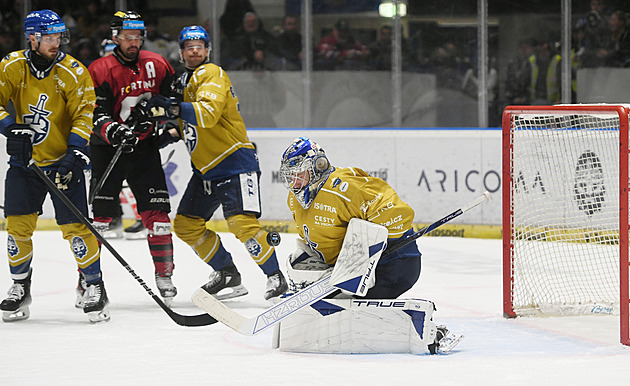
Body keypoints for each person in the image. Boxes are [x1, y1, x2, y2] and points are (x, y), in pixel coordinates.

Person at [150, 25, 288, 301]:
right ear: (181, 52)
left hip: (235, 162)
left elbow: (208, 114)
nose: (195, 50)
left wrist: (171, 108)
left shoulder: (211, 73)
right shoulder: (184, 82)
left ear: (208, 50)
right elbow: (186, 123)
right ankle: (227, 274)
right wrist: (166, 133)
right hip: (205, 171)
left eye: (200, 46)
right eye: (189, 47)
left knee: (241, 224)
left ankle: (276, 277)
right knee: (187, 225)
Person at [0, 9, 109, 323]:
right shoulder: (12, 66)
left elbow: (84, 114)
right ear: (32, 38)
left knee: (76, 230)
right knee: (17, 229)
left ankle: (94, 285)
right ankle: (20, 286)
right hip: (25, 165)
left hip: (64, 164)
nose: (56, 42)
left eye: (59, 36)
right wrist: (10, 127)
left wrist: (74, 154)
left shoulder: (74, 71)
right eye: (49, 37)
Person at [87, 10, 178, 305]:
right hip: (107, 150)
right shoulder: (99, 69)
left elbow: (173, 101)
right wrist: (113, 131)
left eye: (138, 37)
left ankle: (164, 275)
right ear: (115, 37)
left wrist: (157, 116)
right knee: (99, 221)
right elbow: (93, 112)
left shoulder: (158, 63)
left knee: (159, 219)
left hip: (143, 151)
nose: (134, 42)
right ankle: (87, 280)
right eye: (128, 37)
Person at [278, 137, 421, 299]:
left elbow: (397, 214)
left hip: (393, 265)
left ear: (318, 165)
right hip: (340, 271)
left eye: (298, 174)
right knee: (300, 262)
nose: (294, 183)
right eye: (291, 176)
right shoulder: (294, 198)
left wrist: (373, 253)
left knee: (349, 311)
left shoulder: (344, 187)